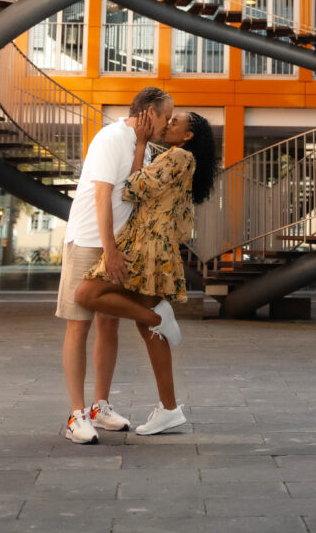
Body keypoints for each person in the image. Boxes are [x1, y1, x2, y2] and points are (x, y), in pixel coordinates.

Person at [75, 111, 218, 436]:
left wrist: (139, 144)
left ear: (188, 135)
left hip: (145, 245)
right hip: (156, 245)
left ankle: (158, 319)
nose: (168, 124)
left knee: (87, 294)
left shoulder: (179, 155)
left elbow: (132, 188)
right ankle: (169, 409)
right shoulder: (179, 158)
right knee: (146, 327)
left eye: (175, 121)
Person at [56, 86, 173, 444]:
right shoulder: (111, 137)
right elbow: (103, 194)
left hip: (116, 247)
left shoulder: (146, 148)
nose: (169, 124)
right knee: (79, 326)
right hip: (90, 241)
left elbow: (132, 192)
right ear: (149, 112)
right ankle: (75, 416)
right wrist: (109, 248)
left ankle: (99, 407)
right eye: (166, 116)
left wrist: (123, 250)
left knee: (109, 326)